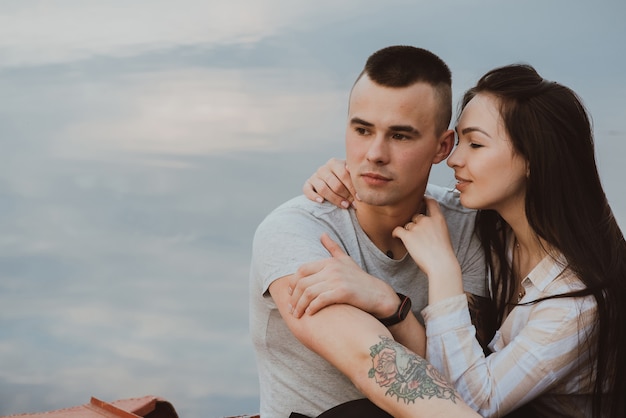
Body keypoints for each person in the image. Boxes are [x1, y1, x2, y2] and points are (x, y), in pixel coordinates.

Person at [300, 64, 626, 417]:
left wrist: (440, 273)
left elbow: (468, 404)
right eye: (457, 142)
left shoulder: (578, 301)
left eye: (475, 143)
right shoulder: (491, 228)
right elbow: (402, 192)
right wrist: (344, 179)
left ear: (533, 158)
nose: (454, 159)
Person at [249, 45, 489, 418]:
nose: (375, 153)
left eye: (401, 136)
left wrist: (391, 305)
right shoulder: (295, 232)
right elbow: (370, 359)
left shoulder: (468, 225)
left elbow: (466, 378)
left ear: (443, 147)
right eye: (362, 130)